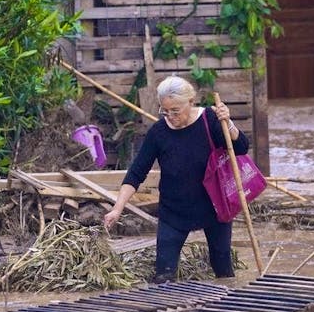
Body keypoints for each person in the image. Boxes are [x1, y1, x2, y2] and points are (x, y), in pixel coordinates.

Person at [103, 76, 249, 283]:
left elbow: (241, 147)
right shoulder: (158, 133)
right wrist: (117, 208)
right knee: (164, 275)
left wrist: (229, 123)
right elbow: (136, 173)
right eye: (165, 111)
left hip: (214, 207)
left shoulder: (210, 119)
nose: (170, 116)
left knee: (223, 271)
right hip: (174, 212)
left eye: (175, 111)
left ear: (191, 102)